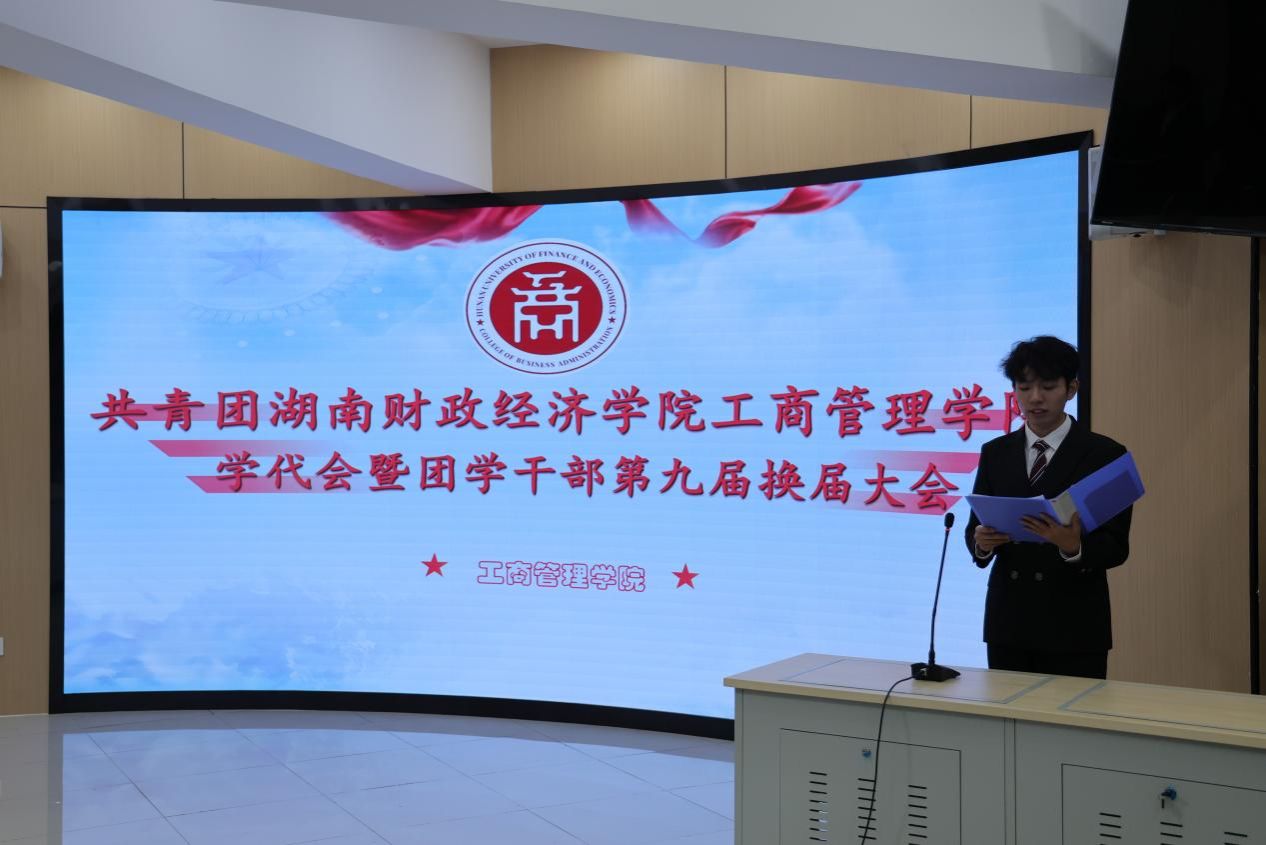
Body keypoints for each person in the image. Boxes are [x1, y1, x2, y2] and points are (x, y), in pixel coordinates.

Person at [964, 336, 1132, 679]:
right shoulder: (995, 452)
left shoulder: (1105, 455)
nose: (1035, 398)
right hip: (1008, 622)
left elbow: (1117, 547)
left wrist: (1073, 547)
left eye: (1048, 386)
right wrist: (982, 544)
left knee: (1074, 714)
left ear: (1071, 389)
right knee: (1007, 713)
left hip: (1074, 625)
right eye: (1024, 387)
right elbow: (974, 529)